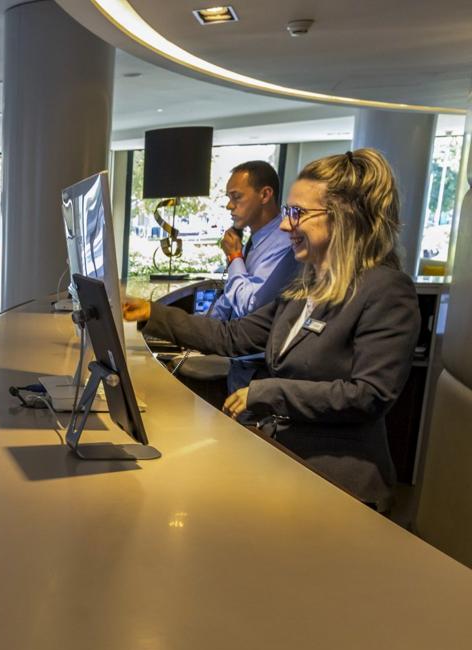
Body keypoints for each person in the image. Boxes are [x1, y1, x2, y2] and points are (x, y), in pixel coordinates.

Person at [123, 148, 421, 511]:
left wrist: (266, 391)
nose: (284, 225)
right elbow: (232, 337)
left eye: (297, 213)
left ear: (344, 217)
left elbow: (368, 395)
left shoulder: (387, 290)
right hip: (283, 460)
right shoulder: (306, 286)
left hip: (337, 486)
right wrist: (152, 312)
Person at [210, 160, 299, 391]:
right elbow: (231, 297)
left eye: (236, 197)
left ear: (265, 194)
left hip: (257, 369)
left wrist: (234, 259)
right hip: (237, 359)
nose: (230, 206)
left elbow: (250, 306)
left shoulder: (285, 243)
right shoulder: (255, 239)